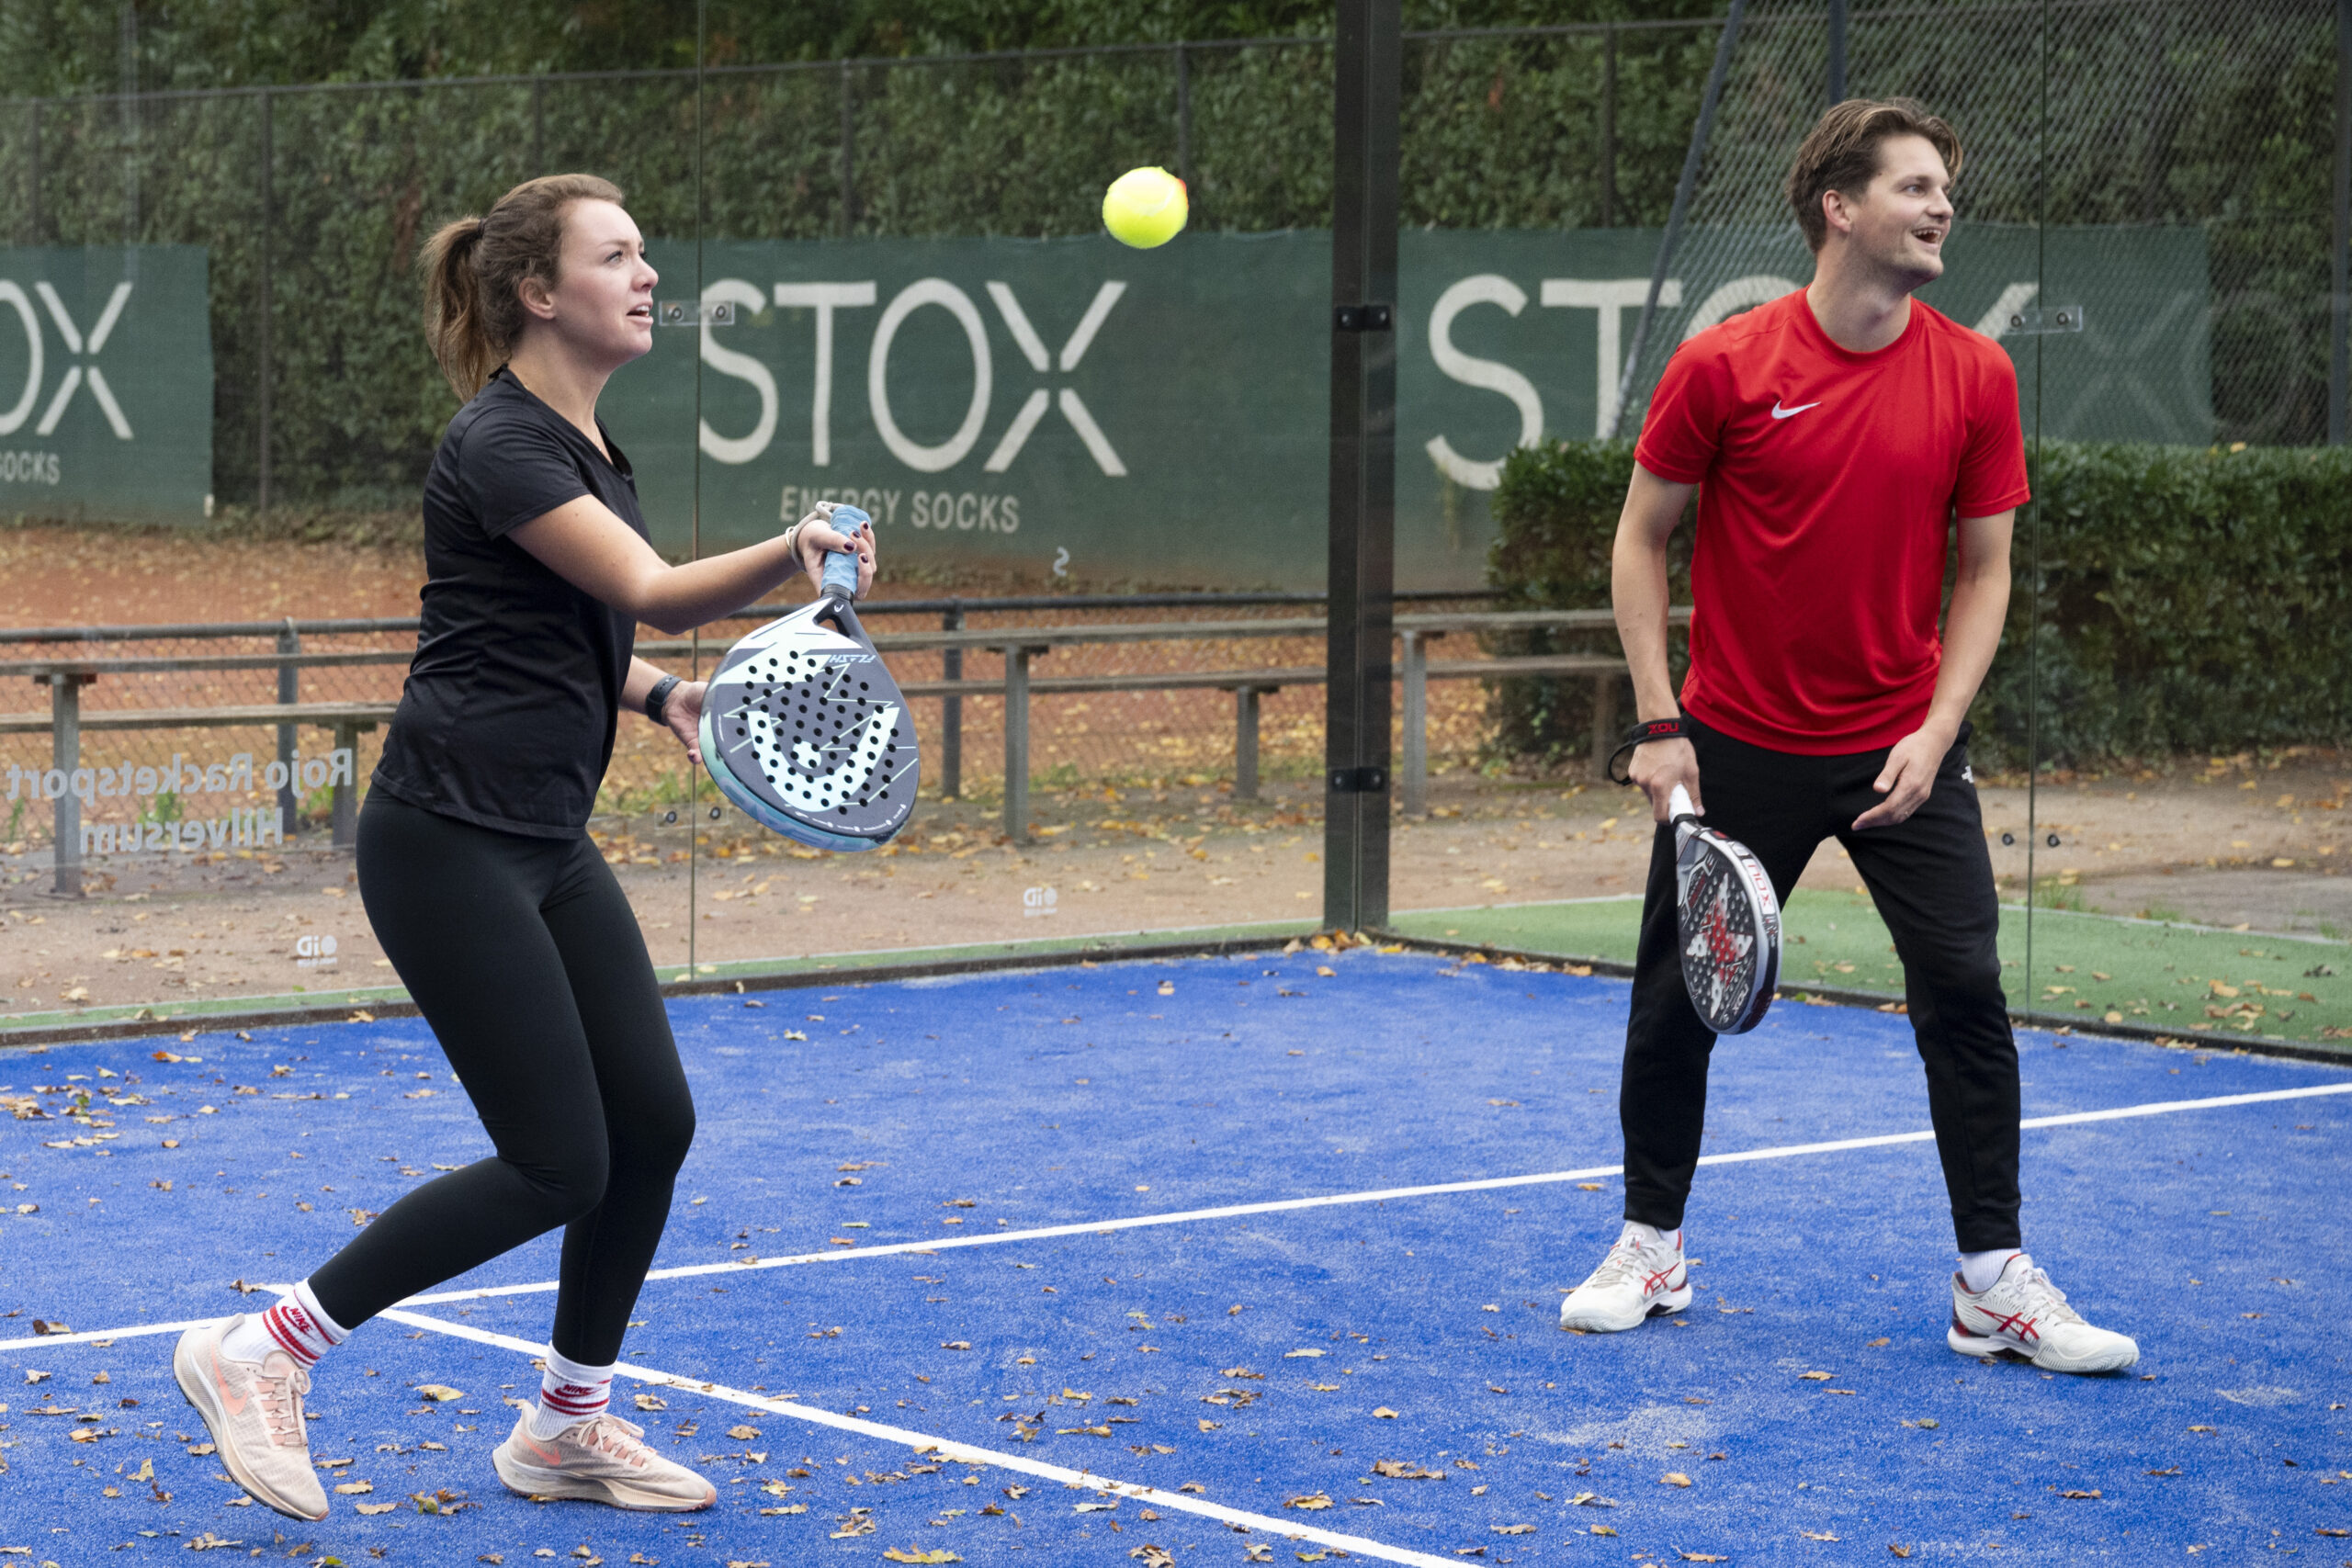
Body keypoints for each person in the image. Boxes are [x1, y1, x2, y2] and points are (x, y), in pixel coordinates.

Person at [173, 174, 877, 1520]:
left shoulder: (588, 446)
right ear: (540, 293)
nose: (648, 274)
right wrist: (792, 550)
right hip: (445, 841)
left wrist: (658, 699)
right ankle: (264, 1349)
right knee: (560, 1160)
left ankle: (564, 1426)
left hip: (544, 838)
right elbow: (653, 594)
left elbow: (547, 633)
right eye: (618, 255)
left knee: (651, 1125)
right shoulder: (501, 440)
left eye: (645, 251)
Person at [1558, 100, 2137, 1374]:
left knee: (1967, 994)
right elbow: (1640, 539)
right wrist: (1661, 725)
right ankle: (1651, 1244)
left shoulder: (1977, 376)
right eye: (1916, 186)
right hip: (1735, 743)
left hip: (1902, 751)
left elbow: (1983, 571)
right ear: (1840, 206)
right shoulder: (1723, 365)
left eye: (1946, 190)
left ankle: (1992, 1283)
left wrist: (1939, 730)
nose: (1942, 208)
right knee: (1674, 1002)